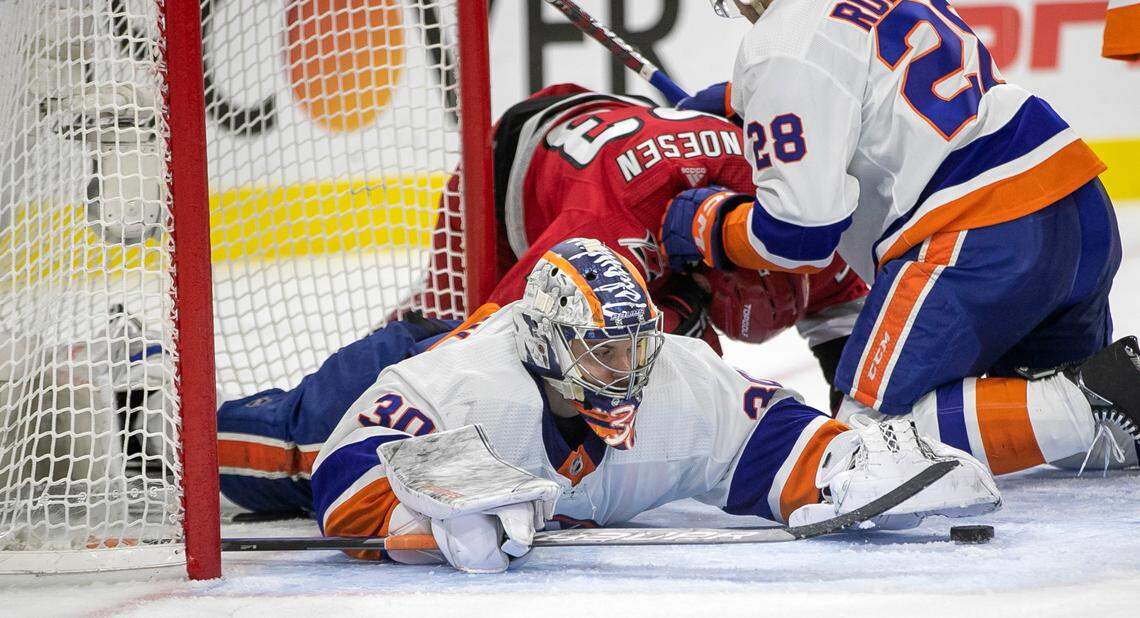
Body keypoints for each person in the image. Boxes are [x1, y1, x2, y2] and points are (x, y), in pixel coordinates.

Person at [224, 238, 1001, 573]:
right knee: (255, 456)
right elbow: (341, 479)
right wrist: (425, 516)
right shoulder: (464, 387)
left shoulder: (671, 376)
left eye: (636, 346)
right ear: (548, 342)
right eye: (603, 350)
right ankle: (137, 399)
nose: (626, 369)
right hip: (386, 370)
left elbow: (760, 433)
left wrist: (835, 463)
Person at [658, 0, 1140, 474]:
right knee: (1100, 438)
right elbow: (862, 74)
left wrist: (710, 224)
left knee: (870, 447)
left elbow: (799, 234)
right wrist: (746, 99)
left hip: (979, 235)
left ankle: (1109, 397)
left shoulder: (780, 42)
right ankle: (1106, 401)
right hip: (1077, 207)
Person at [417, 83, 868, 411]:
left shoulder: (793, 232)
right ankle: (376, 377)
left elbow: (844, 324)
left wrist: (856, 424)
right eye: (707, 300)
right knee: (458, 339)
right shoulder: (605, 232)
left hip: (621, 135)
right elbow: (500, 332)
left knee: (673, 355)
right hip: (499, 180)